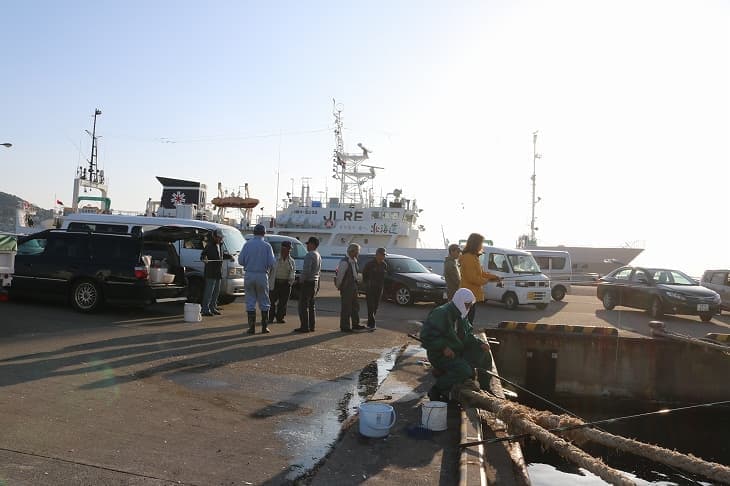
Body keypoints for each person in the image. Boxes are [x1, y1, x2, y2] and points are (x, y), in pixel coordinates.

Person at [419, 288, 493, 401]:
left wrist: (480, 343)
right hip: (440, 354)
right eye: (467, 305)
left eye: (470, 305)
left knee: (485, 354)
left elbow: (467, 335)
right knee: (464, 370)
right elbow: (426, 336)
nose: (468, 308)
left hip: (457, 352)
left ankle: (485, 388)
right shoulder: (440, 313)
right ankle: (437, 388)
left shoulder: (462, 314)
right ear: (459, 301)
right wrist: (443, 347)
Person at [239, 224, 276, 334]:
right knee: (264, 301)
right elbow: (272, 263)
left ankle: (251, 328)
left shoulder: (247, 244)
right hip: (262, 275)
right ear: (264, 233)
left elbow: (241, 261)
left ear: (254, 232)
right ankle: (264, 327)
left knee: (250, 301)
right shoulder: (267, 246)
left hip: (249, 274)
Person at [459, 233, 500, 323]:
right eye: (481, 243)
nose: (482, 246)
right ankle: (463, 336)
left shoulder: (473, 257)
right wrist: (487, 280)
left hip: (471, 294)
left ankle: (465, 335)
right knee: (467, 319)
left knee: (469, 318)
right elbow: (472, 278)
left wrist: (494, 277)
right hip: (468, 294)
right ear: (475, 244)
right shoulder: (468, 258)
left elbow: (481, 273)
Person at [335, 243, 366, 332]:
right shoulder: (345, 262)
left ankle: (355, 324)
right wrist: (339, 286)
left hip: (354, 287)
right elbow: (340, 276)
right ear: (352, 251)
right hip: (347, 288)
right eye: (357, 252)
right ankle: (345, 326)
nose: (358, 254)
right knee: (346, 308)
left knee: (355, 307)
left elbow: (356, 275)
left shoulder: (354, 261)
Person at [295, 236, 321, 333]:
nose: (307, 246)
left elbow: (306, 271)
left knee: (303, 306)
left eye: (308, 244)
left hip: (308, 282)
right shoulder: (318, 255)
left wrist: (299, 281)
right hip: (314, 282)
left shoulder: (309, 255)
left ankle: (304, 326)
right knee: (311, 306)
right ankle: (311, 326)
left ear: (312, 244)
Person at [269, 240, 296, 323]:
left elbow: (293, 272)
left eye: (289, 249)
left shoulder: (291, 261)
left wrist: (291, 282)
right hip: (275, 282)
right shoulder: (275, 259)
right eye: (286, 249)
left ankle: (280, 317)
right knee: (271, 302)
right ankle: (270, 317)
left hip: (285, 284)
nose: (288, 251)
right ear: (282, 249)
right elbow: (269, 270)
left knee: (283, 302)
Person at [200, 229, 225, 317]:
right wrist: (205, 259)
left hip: (218, 272)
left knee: (216, 291)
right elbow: (203, 255)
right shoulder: (209, 245)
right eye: (218, 237)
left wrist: (230, 256)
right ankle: (205, 309)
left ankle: (213, 307)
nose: (219, 239)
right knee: (209, 291)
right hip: (210, 272)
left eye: (220, 237)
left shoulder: (221, 245)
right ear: (214, 237)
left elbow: (222, 255)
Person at [362, 247, 388, 329]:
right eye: (382, 255)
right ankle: (372, 324)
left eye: (384, 255)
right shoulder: (370, 264)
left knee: (375, 306)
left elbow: (385, 277)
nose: (383, 257)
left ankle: (370, 323)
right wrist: (367, 284)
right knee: (370, 306)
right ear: (377, 255)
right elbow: (364, 275)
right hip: (370, 288)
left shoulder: (384, 265)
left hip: (379, 288)